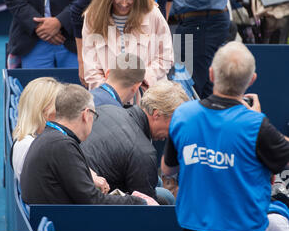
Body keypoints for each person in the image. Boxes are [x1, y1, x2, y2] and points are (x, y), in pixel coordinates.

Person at [161, 41, 289, 231]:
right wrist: (255, 118)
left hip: (193, 228)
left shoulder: (183, 115)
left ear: (211, 74)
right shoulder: (256, 125)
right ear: (252, 79)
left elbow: (167, 168)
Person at [20, 83, 157, 205]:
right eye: (94, 116)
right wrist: (139, 202)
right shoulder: (62, 146)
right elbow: (93, 201)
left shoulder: (50, 137)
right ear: (86, 115)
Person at [81, 80, 189, 203]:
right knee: (166, 198)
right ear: (156, 114)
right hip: (92, 203)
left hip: (79, 184)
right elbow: (146, 211)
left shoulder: (107, 108)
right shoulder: (143, 152)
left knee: (160, 186)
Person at [11, 77, 110, 193]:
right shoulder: (30, 146)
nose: (63, 111)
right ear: (45, 111)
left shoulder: (33, 140)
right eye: (58, 106)